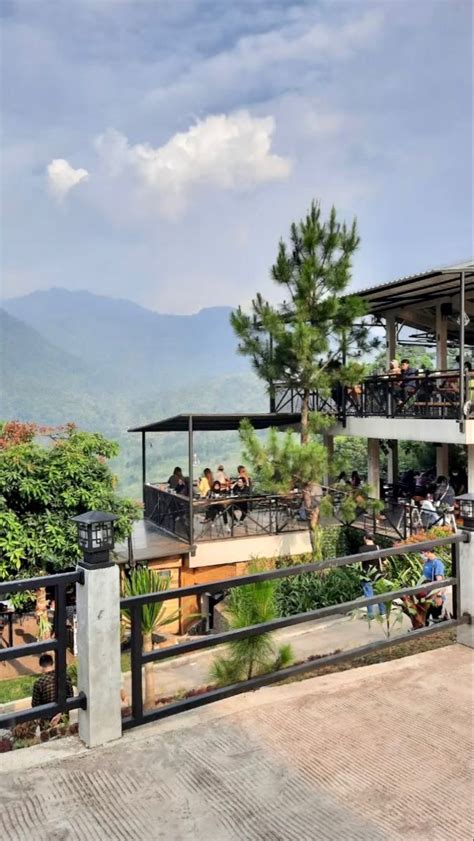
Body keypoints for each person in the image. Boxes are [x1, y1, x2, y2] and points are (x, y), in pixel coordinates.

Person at [31, 653, 74, 728]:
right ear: (52, 664)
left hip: (46, 721)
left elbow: (35, 705)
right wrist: (60, 713)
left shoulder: (39, 683)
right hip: (63, 718)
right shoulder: (65, 677)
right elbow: (70, 697)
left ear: (41, 667)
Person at [357, 533, 386, 620]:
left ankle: (371, 615)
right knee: (380, 593)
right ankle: (383, 612)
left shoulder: (361, 549)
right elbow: (385, 561)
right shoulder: (378, 547)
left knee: (368, 595)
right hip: (378, 574)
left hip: (366, 575)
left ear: (365, 538)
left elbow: (358, 562)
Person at [420, 549, 447, 624]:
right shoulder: (427, 562)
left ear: (428, 552)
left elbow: (439, 581)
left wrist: (439, 596)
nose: (422, 555)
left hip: (435, 595)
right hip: (427, 596)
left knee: (436, 618)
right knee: (425, 618)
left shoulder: (437, 563)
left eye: (422, 552)